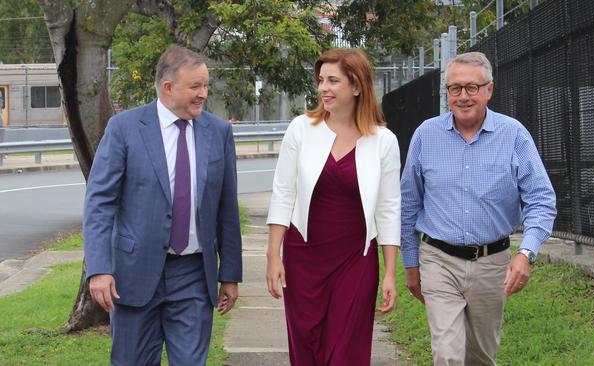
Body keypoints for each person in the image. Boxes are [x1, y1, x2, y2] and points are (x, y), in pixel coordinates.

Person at [83, 46, 242, 365]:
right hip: (133, 274)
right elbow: (100, 202)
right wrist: (99, 269)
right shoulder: (125, 128)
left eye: (205, 85)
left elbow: (226, 207)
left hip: (194, 275)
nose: (203, 94)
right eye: (195, 86)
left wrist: (230, 274)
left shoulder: (219, 132)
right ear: (168, 87)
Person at [400, 51, 556, 366]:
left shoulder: (514, 135)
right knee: (447, 354)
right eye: (454, 88)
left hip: (492, 264)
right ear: (446, 93)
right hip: (439, 261)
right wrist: (411, 263)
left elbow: (541, 198)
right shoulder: (426, 136)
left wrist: (526, 254)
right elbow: (408, 203)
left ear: (489, 90)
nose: (463, 96)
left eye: (472, 87)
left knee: (481, 357)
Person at [266, 48, 401, 365]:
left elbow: (389, 208)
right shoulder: (301, 128)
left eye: (333, 81)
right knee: (306, 347)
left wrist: (390, 273)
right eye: (321, 80)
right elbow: (283, 192)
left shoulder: (384, 141)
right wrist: (273, 256)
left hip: (356, 261)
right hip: (303, 258)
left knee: (345, 353)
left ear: (356, 86)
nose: (323, 88)